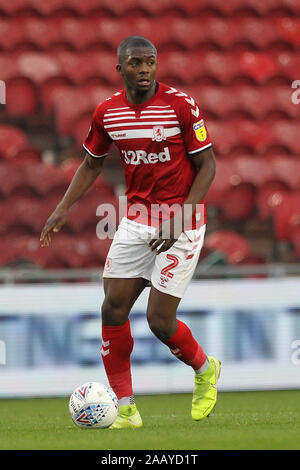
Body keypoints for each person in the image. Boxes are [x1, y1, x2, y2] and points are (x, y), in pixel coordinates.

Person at [40, 36, 221, 429]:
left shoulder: (180, 106)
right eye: (136, 63)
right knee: (112, 307)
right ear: (119, 68)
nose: (144, 69)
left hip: (184, 221)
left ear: (157, 65)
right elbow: (91, 164)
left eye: (150, 62)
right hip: (137, 220)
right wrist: (63, 206)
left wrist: (180, 216)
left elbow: (208, 167)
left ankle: (205, 369)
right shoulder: (108, 112)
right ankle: (125, 408)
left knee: (159, 320)